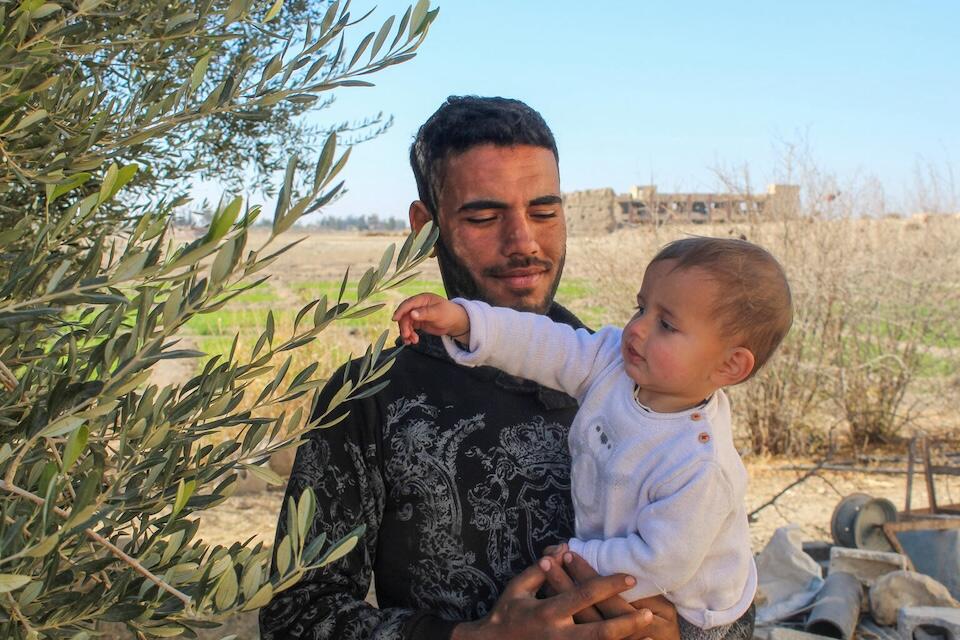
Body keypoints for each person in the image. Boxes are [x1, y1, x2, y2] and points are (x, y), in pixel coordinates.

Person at [260, 96, 758, 640]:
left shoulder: (645, 384)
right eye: (483, 216)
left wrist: (681, 634)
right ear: (425, 228)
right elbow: (296, 616)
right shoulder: (368, 398)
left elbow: (727, 587)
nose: (524, 243)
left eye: (544, 211)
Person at [394, 237, 794, 629]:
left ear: (729, 367)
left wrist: (575, 557)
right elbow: (546, 343)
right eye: (640, 308)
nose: (636, 329)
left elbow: (662, 560)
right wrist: (467, 322)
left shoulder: (699, 466)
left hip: (693, 609)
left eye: (666, 325)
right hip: (625, 570)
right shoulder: (613, 366)